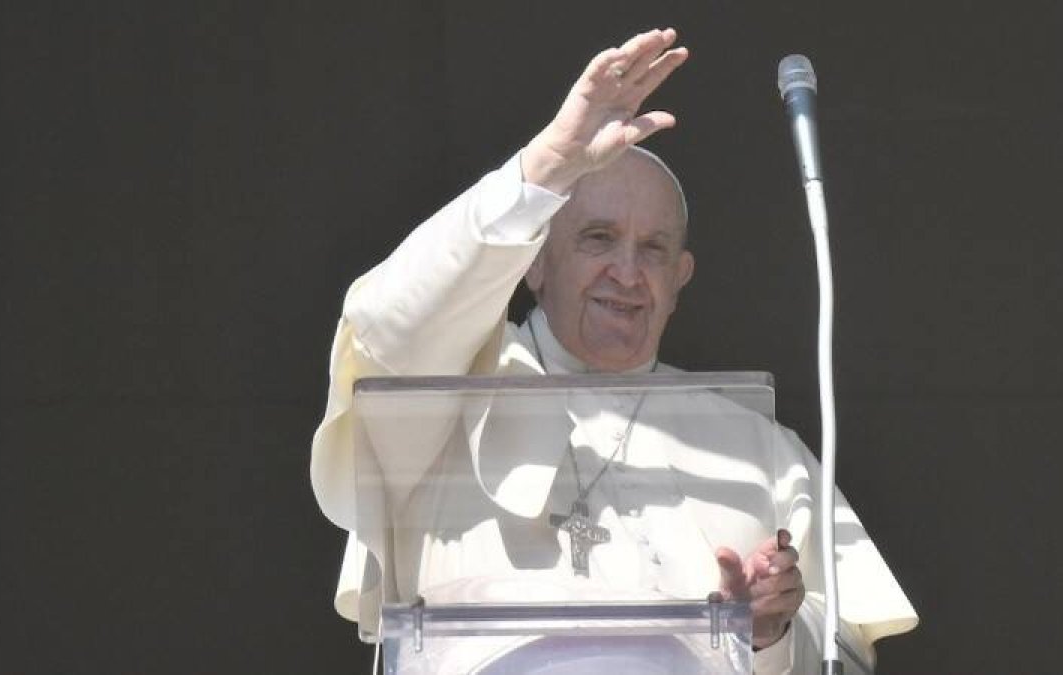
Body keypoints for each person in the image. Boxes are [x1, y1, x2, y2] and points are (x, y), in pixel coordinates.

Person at [311, 28, 917, 674]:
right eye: (598, 239)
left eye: (652, 249)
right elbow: (382, 327)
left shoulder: (758, 448)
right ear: (537, 263)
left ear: (680, 279)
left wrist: (771, 632)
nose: (627, 273)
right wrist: (545, 165)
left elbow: (846, 650)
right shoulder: (446, 406)